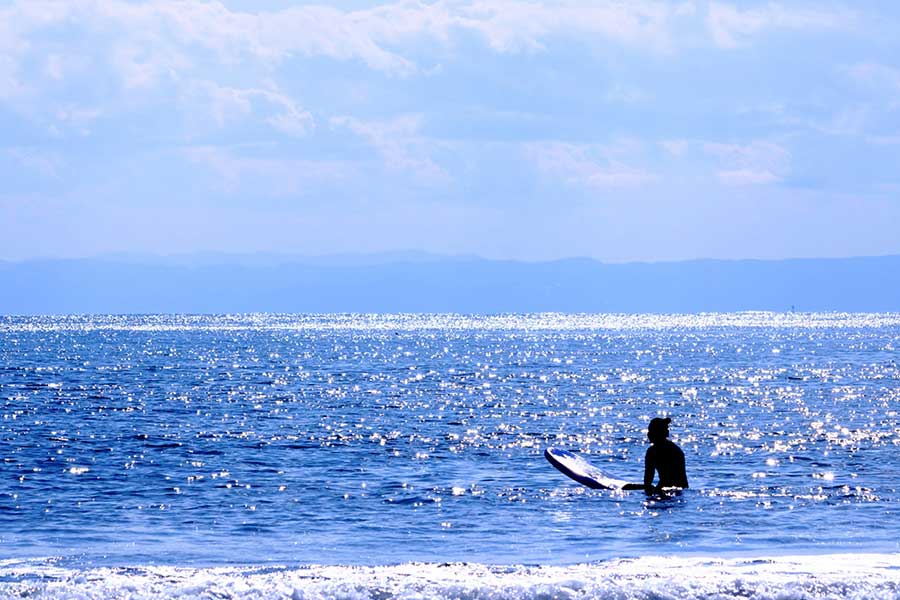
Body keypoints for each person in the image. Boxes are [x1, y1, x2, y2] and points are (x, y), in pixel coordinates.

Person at [643, 417, 688, 494]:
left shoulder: (652, 451)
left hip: (667, 489)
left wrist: (647, 489)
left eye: (650, 431)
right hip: (680, 491)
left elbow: (648, 477)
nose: (648, 434)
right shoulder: (676, 450)